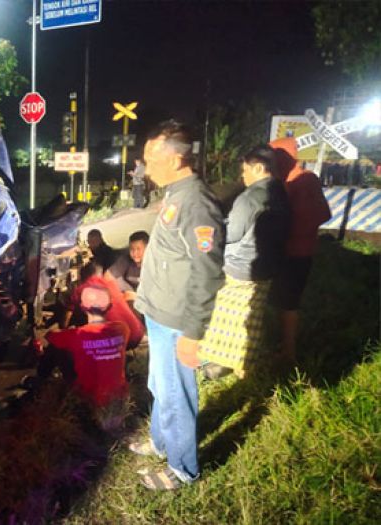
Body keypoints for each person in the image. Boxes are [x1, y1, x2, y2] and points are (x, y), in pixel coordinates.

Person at [130, 120, 225, 490]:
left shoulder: (197, 202)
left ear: (176, 158)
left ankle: (183, 468)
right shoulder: (175, 192)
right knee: (160, 384)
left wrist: (193, 332)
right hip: (159, 313)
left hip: (176, 320)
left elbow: (207, 271)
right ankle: (161, 440)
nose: (145, 165)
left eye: (152, 157)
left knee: (177, 392)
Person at [197, 145, 291, 377]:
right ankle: (244, 364)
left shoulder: (251, 197)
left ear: (259, 168)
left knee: (225, 319)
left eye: (245, 170)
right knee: (250, 318)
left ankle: (218, 364)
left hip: (240, 268)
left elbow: (232, 234)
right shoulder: (281, 192)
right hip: (267, 268)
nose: (243, 175)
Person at [269, 137, 331, 364]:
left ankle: (288, 352)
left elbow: (317, 215)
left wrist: (281, 231)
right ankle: (284, 344)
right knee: (282, 301)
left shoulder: (302, 180)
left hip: (295, 253)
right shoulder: (287, 179)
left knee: (288, 302)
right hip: (289, 251)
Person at [40, 283, 130, 408]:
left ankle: (39, 382)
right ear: (110, 306)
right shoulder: (122, 329)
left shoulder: (78, 334)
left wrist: (69, 331)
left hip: (87, 396)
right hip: (117, 396)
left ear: (82, 307)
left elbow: (49, 336)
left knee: (56, 348)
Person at [65, 262, 145, 350]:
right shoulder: (111, 284)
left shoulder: (81, 289)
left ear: (82, 278)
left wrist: (65, 329)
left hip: (119, 343)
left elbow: (68, 313)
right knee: (126, 296)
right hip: (138, 334)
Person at [106, 230, 150, 302]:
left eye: (138, 249)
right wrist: (128, 290)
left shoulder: (156, 263)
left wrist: (137, 297)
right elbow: (107, 276)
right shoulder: (126, 259)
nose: (135, 253)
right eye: (132, 249)